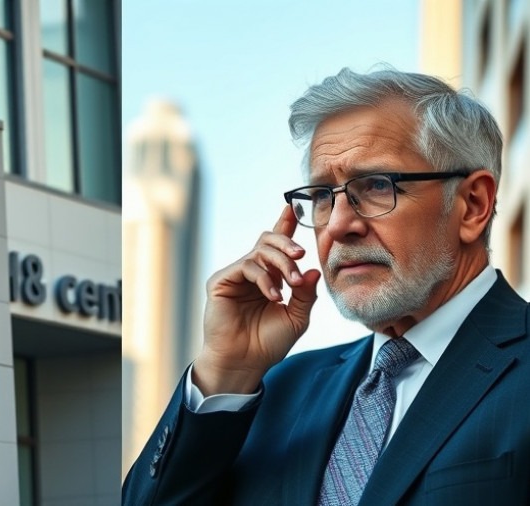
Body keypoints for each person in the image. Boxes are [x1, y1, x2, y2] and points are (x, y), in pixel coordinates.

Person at [122, 67, 530, 505]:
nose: (338, 224)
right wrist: (225, 372)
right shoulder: (274, 390)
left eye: (376, 186)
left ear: (473, 205)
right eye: (321, 196)